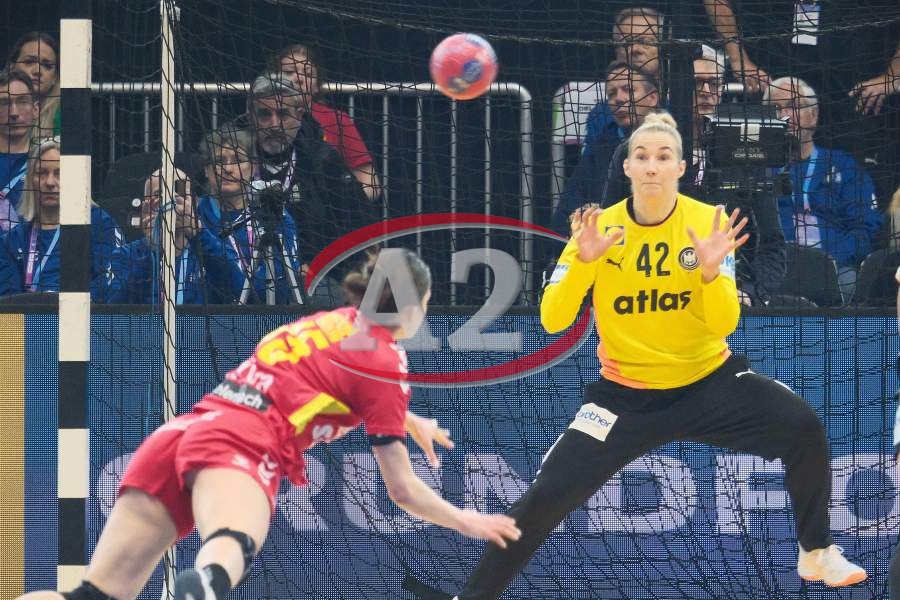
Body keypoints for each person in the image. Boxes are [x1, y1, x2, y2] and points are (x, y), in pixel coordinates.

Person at [448, 113, 866, 600]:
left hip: (710, 384)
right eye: (641, 156)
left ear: (681, 167)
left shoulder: (708, 222)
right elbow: (552, 320)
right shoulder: (598, 228)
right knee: (544, 498)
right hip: (625, 397)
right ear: (626, 167)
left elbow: (723, 325)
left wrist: (710, 273)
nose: (652, 166)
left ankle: (816, 550)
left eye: (663, 157)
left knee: (803, 426)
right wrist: (583, 262)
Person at [15, 248, 521, 600]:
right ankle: (200, 587)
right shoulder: (387, 361)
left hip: (182, 433)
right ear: (413, 308)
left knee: (91, 595)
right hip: (239, 447)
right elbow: (403, 489)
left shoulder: (327, 322)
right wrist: (467, 521)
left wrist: (405, 419)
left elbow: (321, 384)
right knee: (230, 547)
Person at [603, 47, 787, 306]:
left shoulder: (746, 151)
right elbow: (611, 230)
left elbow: (772, 243)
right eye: (697, 83)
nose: (706, 91)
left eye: (714, 83)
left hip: (727, 292)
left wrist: (751, 293)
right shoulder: (637, 150)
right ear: (672, 90)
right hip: (653, 295)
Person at [763, 76, 882, 301]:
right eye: (775, 108)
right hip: (772, 268)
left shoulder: (844, 165)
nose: (784, 115)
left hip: (833, 269)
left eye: (794, 106)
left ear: (814, 115)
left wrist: (827, 259)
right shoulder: (756, 169)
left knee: (850, 284)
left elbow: (865, 228)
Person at [0, 136, 123, 301]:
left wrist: (72, 308)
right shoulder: (14, 239)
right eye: (42, 173)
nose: (50, 182)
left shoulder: (100, 224)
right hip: (30, 317)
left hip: (84, 316)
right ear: (30, 181)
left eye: (59, 173)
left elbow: (110, 281)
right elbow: (8, 302)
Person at [195, 126, 304, 305]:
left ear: (253, 167)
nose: (228, 169)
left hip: (263, 316)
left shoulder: (274, 214)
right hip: (204, 316)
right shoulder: (193, 216)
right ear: (206, 170)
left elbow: (277, 291)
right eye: (219, 161)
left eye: (238, 160)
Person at [554, 61, 660, 233]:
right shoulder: (600, 149)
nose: (619, 99)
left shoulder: (672, 145)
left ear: (653, 98)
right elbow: (562, 218)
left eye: (629, 90)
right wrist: (579, 218)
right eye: (612, 94)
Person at [275, 43, 383, 201]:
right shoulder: (264, 117)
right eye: (289, 72)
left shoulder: (337, 120)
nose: (298, 79)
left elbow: (371, 183)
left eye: (307, 74)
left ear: (317, 86)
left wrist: (343, 203)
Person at [121, 169, 236, 304]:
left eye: (179, 193)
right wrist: (152, 251)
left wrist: (198, 234)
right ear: (145, 204)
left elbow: (240, 291)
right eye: (159, 195)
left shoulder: (216, 248)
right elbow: (114, 307)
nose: (170, 202)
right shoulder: (127, 254)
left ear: (195, 203)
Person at [0, 68, 38, 230]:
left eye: (22, 102)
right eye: (4, 103)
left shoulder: (50, 163)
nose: (14, 113)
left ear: (36, 110)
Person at [7, 32, 59, 137]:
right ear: (12, 67)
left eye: (47, 65)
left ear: (55, 77)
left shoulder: (65, 115)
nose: (38, 71)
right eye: (29, 62)